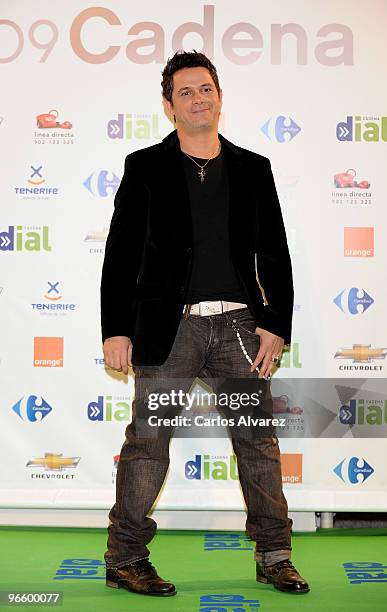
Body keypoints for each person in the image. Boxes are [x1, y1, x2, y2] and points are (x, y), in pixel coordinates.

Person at [100, 50, 310, 597]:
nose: (199, 99)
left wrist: (276, 323)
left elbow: (276, 253)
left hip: (240, 327)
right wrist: (116, 328)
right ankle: (124, 558)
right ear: (169, 106)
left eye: (206, 89)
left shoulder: (252, 168)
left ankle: (275, 556)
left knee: (258, 444)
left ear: (220, 96)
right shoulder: (144, 166)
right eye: (186, 92)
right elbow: (121, 255)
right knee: (148, 444)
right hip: (171, 333)